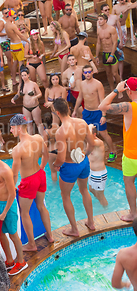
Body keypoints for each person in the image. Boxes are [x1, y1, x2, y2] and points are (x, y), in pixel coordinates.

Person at [10, 114, 54, 251]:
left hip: (28, 181)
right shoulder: (38, 138)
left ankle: (31, 244)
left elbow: (14, 174)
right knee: (41, 206)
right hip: (40, 175)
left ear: (18, 128)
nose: (11, 131)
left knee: (24, 212)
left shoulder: (18, 149)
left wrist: (10, 191)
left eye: (11, 128)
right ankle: (50, 236)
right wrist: (40, 169)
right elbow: (46, 156)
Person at [53, 98, 94, 237]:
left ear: (57, 113)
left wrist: (56, 165)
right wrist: (84, 156)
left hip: (70, 166)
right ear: (69, 109)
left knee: (65, 196)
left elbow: (62, 157)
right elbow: (92, 144)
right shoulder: (82, 122)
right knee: (84, 190)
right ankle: (91, 222)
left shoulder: (60, 131)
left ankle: (74, 229)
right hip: (83, 162)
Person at [0, 140, 26, 276]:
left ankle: (21, 262)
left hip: (9, 205)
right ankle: (9, 260)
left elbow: (12, 194)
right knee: (1, 235)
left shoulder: (5, 170)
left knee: (13, 235)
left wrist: (5, 212)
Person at [99, 77, 137, 222]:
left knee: (129, 182)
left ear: (128, 91)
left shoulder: (128, 107)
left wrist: (116, 90)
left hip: (131, 155)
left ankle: (133, 214)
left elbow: (102, 106)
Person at [73, 64, 116, 162]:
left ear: (92, 72)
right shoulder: (82, 84)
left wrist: (104, 115)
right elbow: (80, 97)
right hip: (87, 112)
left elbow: (103, 100)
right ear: (83, 74)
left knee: (103, 133)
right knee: (85, 133)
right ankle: (86, 152)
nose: (88, 74)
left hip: (97, 112)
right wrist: (75, 110)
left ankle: (112, 151)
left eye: (89, 72)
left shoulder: (98, 84)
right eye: (86, 72)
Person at [11, 67, 44, 137]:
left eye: (25, 75)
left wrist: (35, 97)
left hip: (35, 106)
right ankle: (30, 140)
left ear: (28, 75)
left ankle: (43, 139)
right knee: (28, 124)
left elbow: (40, 94)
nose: (24, 77)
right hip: (26, 107)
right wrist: (13, 99)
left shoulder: (33, 84)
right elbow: (18, 94)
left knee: (38, 123)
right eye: (22, 75)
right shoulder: (20, 85)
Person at [96, 13, 121, 93]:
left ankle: (119, 90)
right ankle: (112, 90)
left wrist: (112, 55)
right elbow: (98, 43)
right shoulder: (99, 30)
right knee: (108, 73)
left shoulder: (111, 29)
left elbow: (115, 43)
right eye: (98, 19)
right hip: (105, 53)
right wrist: (96, 56)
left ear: (105, 20)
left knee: (114, 73)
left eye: (101, 19)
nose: (99, 21)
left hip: (112, 53)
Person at [100, 2, 125, 79]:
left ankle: (120, 76)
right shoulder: (100, 21)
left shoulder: (114, 17)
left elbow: (120, 29)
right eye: (105, 10)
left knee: (120, 58)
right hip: (108, 43)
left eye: (108, 9)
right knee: (110, 59)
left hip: (116, 41)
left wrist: (121, 40)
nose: (107, 11)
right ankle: (114, 76)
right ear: (102, 11)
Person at [4, 10, 27, 86]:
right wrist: (29, 41)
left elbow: (8, 36)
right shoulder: (12, 25)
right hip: (17, 44)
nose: (15, 18)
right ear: (10, 16)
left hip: (12, 45)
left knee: (15, 62)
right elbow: (21, 36)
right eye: (14, 17)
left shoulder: (6, 24)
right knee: (21, 63)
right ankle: (21, 81)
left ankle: (14, 80)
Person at [87, 124, 108, 207]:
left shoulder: (98, 142)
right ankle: (101, 202)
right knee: (91, 189)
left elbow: (91, 142)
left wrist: (89, 127)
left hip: (99, 174)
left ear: (94, 134)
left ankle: (106, 210)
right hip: (92, 172)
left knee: (101, 195)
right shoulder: (90, 143)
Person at [0, 8, 13, 74]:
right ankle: (12, 72)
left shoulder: (10, 19)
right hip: (4, 41)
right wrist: (7, 33)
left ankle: (13, 71)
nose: (7, 14)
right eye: (5, 13)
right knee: (9, 57)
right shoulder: (2, 22)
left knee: (13, 56)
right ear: (3, 14)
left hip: (11, 39)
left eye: (8, 12)